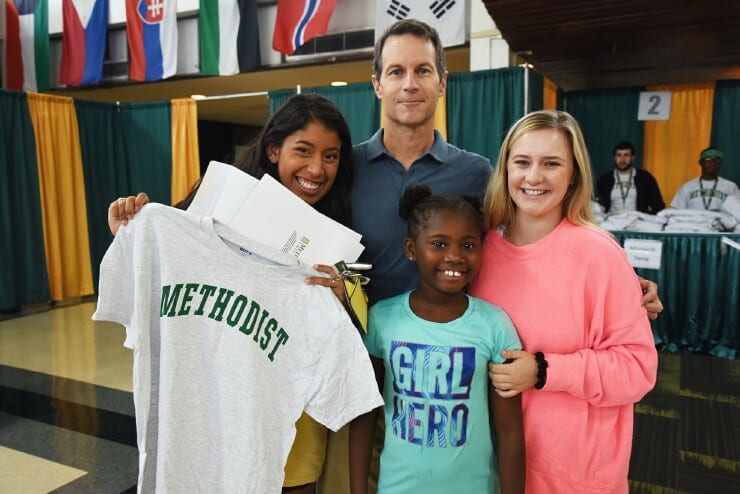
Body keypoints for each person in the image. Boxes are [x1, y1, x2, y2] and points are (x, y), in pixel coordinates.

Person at [108, 92, 356, 494]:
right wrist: (132, 240)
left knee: (293, 482)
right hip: (219, 395)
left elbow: (357, 316)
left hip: (294, 409)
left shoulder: (337, 228)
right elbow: (167, 281)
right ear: (273, 150)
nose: (317, 168)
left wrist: (344, 299)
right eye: (304, 151)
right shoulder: (215, 205)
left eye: (331, 156)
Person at [469, 110, 659, 493]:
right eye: (522, 162)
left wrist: (544, 370)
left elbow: (638, 369)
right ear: (506, 169)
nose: (534, 177)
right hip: (491, 468)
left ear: (574, 174)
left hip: (573, 475)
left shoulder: (600, 254)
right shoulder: (479, 251)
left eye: (551, 164)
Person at [350, 185, 525, 494]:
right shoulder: (382, 319)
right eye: (439, 244)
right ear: (411, 249)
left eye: (468, 245)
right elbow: (365, 415)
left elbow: (509, 432)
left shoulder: (494, 325)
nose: (455, 256)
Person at [596, 141, 664, 214]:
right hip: (611, 220)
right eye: (619, 155)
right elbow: (596, 204)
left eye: (626, 155)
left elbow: (659, 206)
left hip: (638, 221)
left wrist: (647, 218)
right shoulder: (605, 179)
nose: (622, 159)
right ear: (614, 158)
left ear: (633, 157)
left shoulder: (645, 178)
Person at [670, 147, 740, 211]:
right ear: (701, 163)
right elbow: (676, 212)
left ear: (721, 164)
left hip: (720, 224)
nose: (712, 163)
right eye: (708, 159)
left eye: (717, 160)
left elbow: (737, 211)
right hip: (693, 224)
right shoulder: (687, 187)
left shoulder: (731, 187)